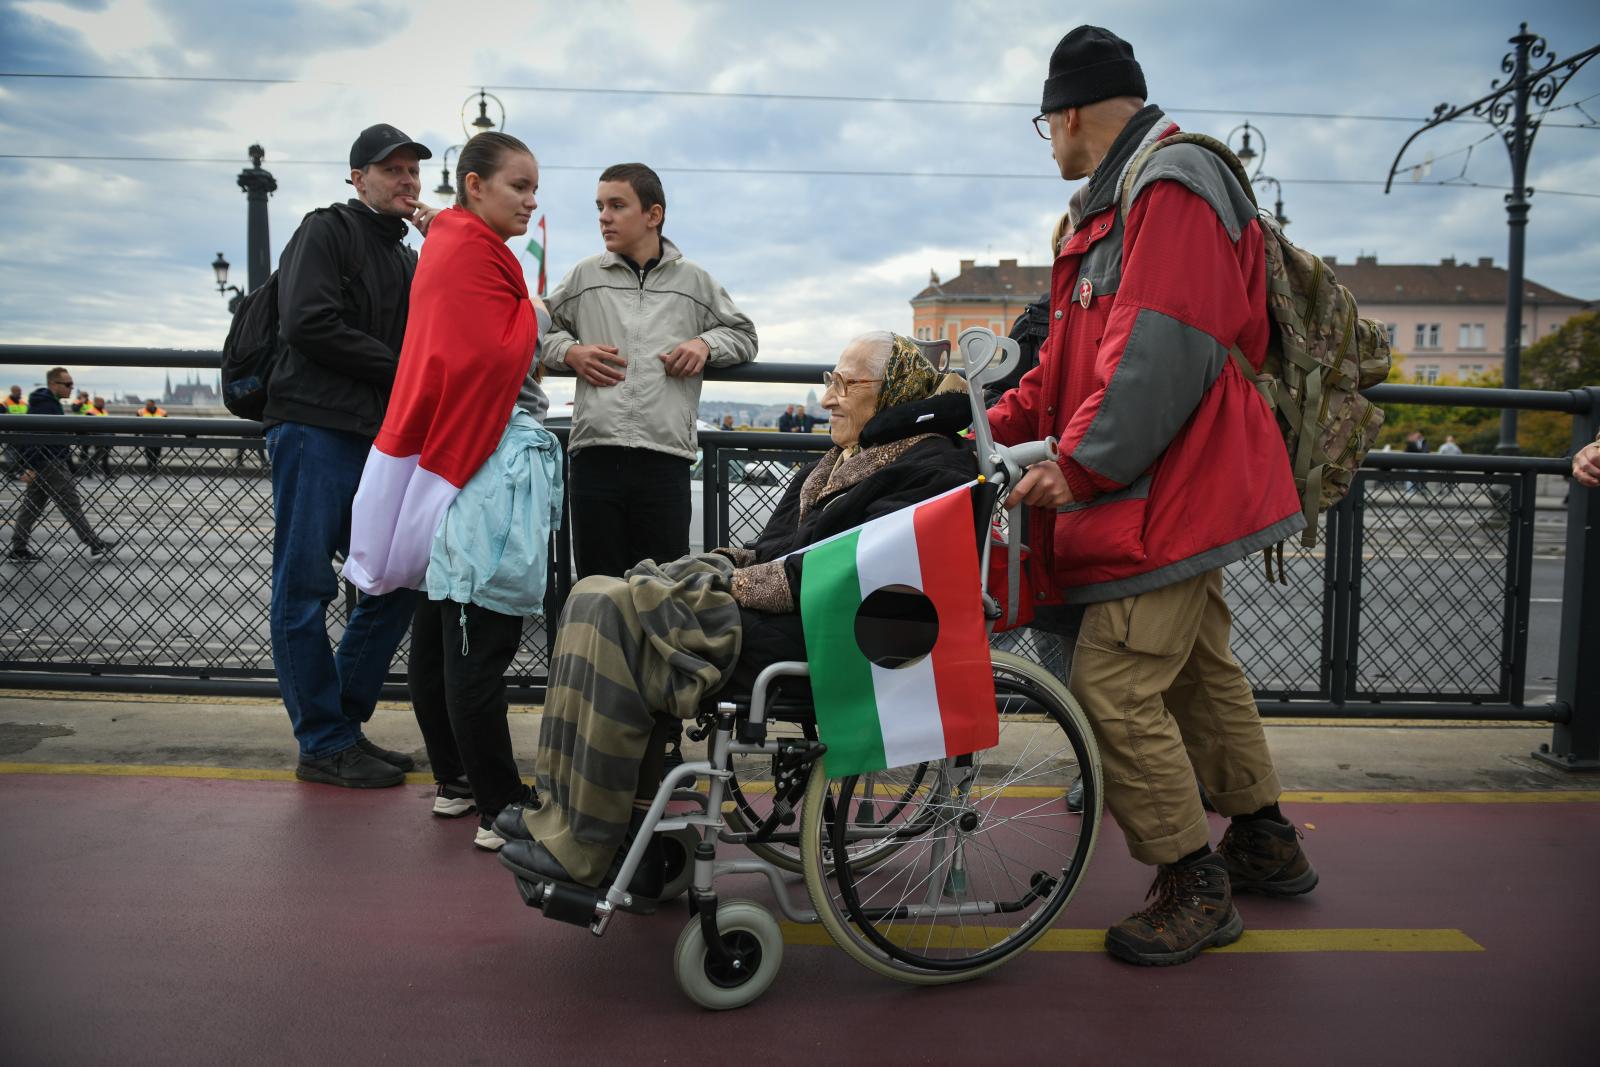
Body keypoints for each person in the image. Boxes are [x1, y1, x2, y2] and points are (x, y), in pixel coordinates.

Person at [989, 26, 1316, 968]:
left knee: (1114, 686)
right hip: (1180, 480)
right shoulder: (1116, 203)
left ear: (1068, 115)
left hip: (1173, 486)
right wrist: (977, 426)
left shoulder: (1170, 183)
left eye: (1044, 125)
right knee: (1200, 675)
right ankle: (1264, 839)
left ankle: (1192, 883)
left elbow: (1160, 349)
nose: (1048, 142)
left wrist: (1081, 465)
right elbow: (1065, 367)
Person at [497, 333, 975, 903]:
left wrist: (729, 582)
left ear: (895, 391)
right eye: (832, 381)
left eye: (848, 385)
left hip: (826, 634)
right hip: (784, 613)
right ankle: (569, 816)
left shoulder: (932, 468)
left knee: (613, 613)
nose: (829, 398)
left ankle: (588, 843)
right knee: (591, 595)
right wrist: (723, 565)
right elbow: (777, 550)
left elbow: (849, 572)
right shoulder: (841, 460)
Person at [344, 131, 558, 851]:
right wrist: (537, 313)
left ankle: (456, 781)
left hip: (443, 462)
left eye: (534, 188)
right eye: (519, 186)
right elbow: (491, 357)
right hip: (481, 464)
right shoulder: (475, 250)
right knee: (479, 636)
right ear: (474, 185)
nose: (530, 201)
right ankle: (501, 805)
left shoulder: (451, 242)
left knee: (439, 633)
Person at [264, 122, 433, 788]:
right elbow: (307, 320)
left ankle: (339, 723)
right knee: (303, 585)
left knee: (396, 577)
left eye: (412, 170)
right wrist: (401, 369)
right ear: (358, 179)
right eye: (391, 169)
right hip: (314, 425)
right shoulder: (325, 229)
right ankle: (324, 740)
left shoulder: (407, 256)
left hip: (376, 438)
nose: (406, 180)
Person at [541, 162, 758, 581]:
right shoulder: (585, 276)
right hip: (595, 458)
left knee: (661, 591)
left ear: (653, 214)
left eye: (617, 205)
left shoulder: (694, 281)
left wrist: (705, 344)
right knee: (598, 589)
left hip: (664, 461)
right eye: (600, 206)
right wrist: (570, 352)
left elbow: (744, 335)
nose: (604, 217)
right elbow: (537, 331)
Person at [6, 367, 117, 563]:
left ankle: (18, 548)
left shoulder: (47, 403)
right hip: (50, 463)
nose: (71, 387)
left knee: (32, 507)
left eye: (71, 384)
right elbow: (35, 437)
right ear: (53, 384)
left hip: (45, 462)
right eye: (67, 384)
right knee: (70, 503)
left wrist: (30, 465)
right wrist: (29, 466)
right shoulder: (46, 406)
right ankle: (94, 544)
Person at [135, 398, 167, 472]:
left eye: (149, 404)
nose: (147, 406)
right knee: (148, 455)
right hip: (147, 438)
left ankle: (154, 468)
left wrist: (169, 436)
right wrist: (136, 437)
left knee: (157, 454)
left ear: (153, 404)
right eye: (147, 404)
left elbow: (167, 425)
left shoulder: (162, 412)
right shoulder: (140, 412)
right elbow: (136, 427)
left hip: (159, 438)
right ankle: (150, 469)